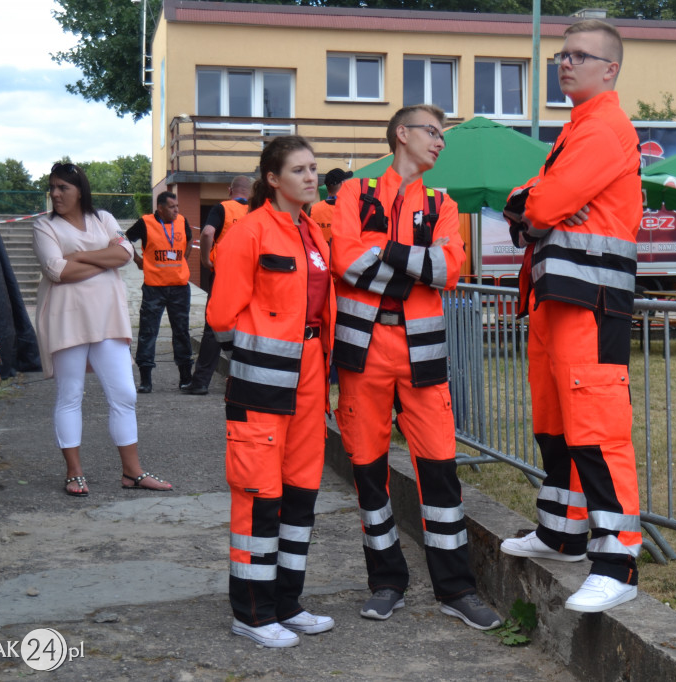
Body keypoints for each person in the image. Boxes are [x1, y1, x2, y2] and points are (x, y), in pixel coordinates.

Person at [330, 104, 501, 631]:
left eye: (442, 135)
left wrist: (384, 252)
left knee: (441, 471)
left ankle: (456, 589)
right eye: (433, 132)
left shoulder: (442, 202)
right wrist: (412, 264)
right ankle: (387, 582)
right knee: (368, 472)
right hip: (363, 350)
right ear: (401, 135)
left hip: (422, 351)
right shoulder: (352, 194)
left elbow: (452, 269)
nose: (441, 142)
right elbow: (344, 260)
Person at [499, 19, 643, 613]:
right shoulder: (576, 130)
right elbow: (523, 204)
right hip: (558, 301)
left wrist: (541, 207)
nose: (564, 63)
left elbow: (545, 202)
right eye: (562, 54)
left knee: (597, 432)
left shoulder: (605, 129)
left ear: (609, 70)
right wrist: (538, 207)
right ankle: (562, 533)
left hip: (590, 305)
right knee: (556, 425)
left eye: (579, 56)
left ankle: (619, 562)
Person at [207, 136, 336, 648]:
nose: (310, 177)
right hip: (262, 380)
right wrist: (256, 355)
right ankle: (252, 613)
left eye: (314, 168)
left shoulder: (312, 232)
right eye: (299, 170)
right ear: (272, 179)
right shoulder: (249, 233)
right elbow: (220, 316)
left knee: (301, 494)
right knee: (259, 495)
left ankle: (288, 603)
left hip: (309, 376)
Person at [32, 163, 173, 496]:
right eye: (52, 187)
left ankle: (132, 473)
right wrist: (102, 259)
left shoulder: (104, 218)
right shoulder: (44, 226)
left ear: (80, 189)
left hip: (108, 319)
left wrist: (78, 258)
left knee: (124, 394)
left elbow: (125, 254)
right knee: (70, 395)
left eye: (62, 187)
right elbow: (55, 270)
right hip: (67, 319)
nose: (55, 194)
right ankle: (74, 472)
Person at [182, 175, 251, 395]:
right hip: (251, 277)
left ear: (230, 190)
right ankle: (244, 380)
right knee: (249, 327)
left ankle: (201, 382)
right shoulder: (258, 211)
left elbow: (208, 232)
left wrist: (205, 260)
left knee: (214, 327)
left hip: (224, 276)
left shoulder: (222, 208)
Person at [125, 191, 193, 393]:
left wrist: (184, 259)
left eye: (177, 206)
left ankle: (185, 378)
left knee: (181, 332)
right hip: (154, 287)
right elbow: (124, 238)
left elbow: (189, 239)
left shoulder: (182, 221)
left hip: (179, 287)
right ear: (160, 208)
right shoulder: (146, 223)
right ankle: (145, 380)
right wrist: (137, 260)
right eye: (172, 207)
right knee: (148, 332)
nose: (176, 210)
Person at [310, 167, 352, 242]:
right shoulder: (351, 209)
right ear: (342, 184)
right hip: (342, 252)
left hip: (320, 252)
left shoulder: (313, 209)